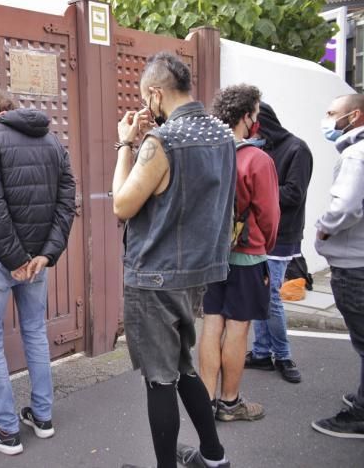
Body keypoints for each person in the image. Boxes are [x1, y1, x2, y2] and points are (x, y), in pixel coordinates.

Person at [114, 52, 234, 468]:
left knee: (160, 379)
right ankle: (214, 457)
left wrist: (125, 144)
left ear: (154, 93)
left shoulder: (161, 142)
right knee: (182, 367)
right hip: (197, 275)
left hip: (155, 277)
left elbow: (122, 204)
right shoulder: (222, 134)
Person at [0, 87, 76, 455]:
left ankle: (6, 429)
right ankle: (42, 418)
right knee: (34, 331)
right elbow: (67, 201)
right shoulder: (52, 140)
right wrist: (45, 255)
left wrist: (14, 259)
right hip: (35, 260)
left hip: (1, 259)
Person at [200, 84, 279, 423]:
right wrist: (264, 245)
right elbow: (270, 216)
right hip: (246, 255)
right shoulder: (257, 159)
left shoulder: (206, 153)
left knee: (211, 324)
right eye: (256, 114)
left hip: (209, 255)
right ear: (246, 116)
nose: (257, 120)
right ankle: (230, 404)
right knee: (237, 328)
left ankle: (203, 403)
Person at [245, 102, 312, 383]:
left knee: (270, 297)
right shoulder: (262, 148)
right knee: (260, 295)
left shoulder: (297, 149)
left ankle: (283, 355)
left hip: (282, 236)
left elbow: (294, 194)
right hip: (258, 234)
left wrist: (258, 191)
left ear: (263, 122)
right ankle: (261, 353)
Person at [311, 93, 364, 439]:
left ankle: (360, 415)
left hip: (354, 266)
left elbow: (345, 207)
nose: (326, 120)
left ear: (355, 116)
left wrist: (323, 227)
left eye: (332, 113)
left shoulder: (356, 156)